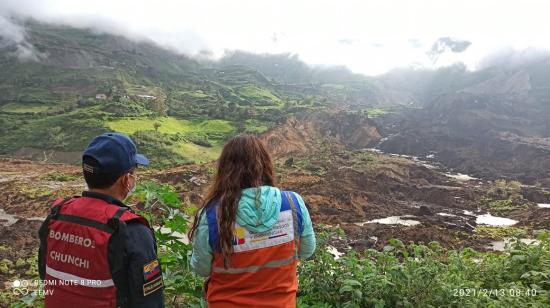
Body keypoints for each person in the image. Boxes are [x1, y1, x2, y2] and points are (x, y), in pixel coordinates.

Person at [38, 132, 164, 308]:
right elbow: (150, 302)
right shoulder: (132, 231)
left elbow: (45, 273)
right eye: (135, 172)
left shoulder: (57, 215)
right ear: (127, 180)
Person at [188, 134, 316, 307]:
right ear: (265, 165)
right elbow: (307, 250)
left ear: (225, 170)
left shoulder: (212, 214)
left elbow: (201, 268)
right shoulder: (293, 204)